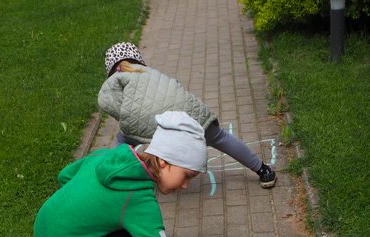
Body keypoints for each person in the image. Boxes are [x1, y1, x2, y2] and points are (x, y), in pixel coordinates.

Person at [33, 110, 244, 237]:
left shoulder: (108, 156)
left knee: (124, 222)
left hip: (42, 230)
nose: (185, 185)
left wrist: (81, 208)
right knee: (135, 231)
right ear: (163, 161)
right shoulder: (138, 200)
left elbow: (65, 175)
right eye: (186, 175)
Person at [98, 42, 277, 189]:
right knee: (220, 137)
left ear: (110, 69)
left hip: (150, 122)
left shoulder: (114, 81)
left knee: (123, 139)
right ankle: (263, 170)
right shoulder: (147, 72)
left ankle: (116, 177)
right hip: (188, 112)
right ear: (137, 58)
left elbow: (111, 106)